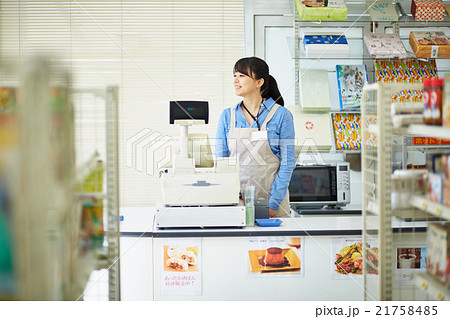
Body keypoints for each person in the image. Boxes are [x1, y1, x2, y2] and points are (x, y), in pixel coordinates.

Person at [216, 57, 296, 218]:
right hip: (235, 203)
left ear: (259, 82)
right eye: (234, 75)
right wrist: (234, 197)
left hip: (273, 204)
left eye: (241, 76)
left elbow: (288, 163)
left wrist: (273, 204)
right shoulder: (227, 116)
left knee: (275, 244)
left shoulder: (281, 115)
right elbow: (221, 161)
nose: (235, 81)